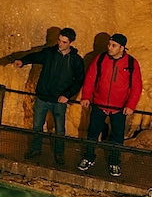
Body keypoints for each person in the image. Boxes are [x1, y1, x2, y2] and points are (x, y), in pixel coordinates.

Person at [17, 27, 84, 165]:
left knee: (60, 129)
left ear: (71, 42)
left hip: (59, 100)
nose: (60, 44)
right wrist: (23, 61)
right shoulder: (49, 53)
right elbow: (35, 56)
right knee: (37, 126)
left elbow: (79, 80)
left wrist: (67, 95)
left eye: (64, 42)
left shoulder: (76, 60)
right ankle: (36, 149)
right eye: (59, 40)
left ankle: (59, 153)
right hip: (43, 96)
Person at [79, 33, 142, 178]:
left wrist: (131, 105)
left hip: (119, 108)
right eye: (109, 44)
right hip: (99, 103)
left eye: (113, 45)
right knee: (92, 133)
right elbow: (90, 78)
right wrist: (86, 96)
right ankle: (89, 157)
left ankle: (114, 162)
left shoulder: (131, 63)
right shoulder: (100, 59)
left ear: (122, 48)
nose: (110, 48)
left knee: (117, 136)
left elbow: (136, 86)